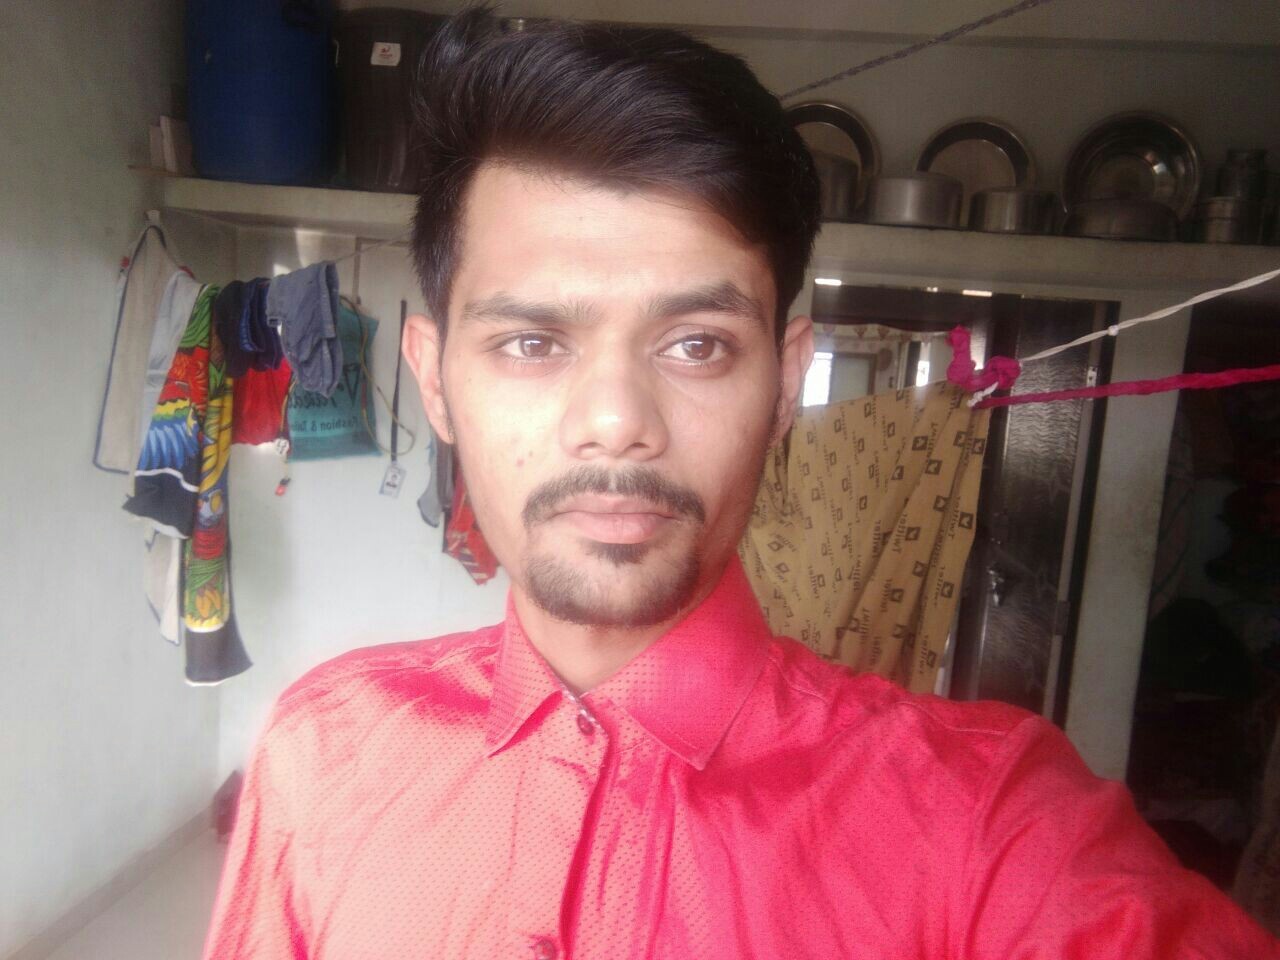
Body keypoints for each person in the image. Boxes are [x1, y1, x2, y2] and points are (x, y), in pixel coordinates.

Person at [202, 8, 1280, 959]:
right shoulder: (324, 754)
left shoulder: (985, 823)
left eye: (696, 345)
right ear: (435, 380)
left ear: (783, 382)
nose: (616, 420)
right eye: (531, 342)